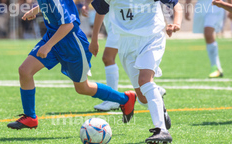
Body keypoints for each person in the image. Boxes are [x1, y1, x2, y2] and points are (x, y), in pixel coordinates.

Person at [7, 0, 137, 132]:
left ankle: (125, 99)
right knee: (25, 71)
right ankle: (30, 117)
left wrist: (47, 46)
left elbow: (68, 24)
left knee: (82, 88)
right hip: (53, 36)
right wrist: (35, 10)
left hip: (72, 44)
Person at [90, 0, 182, 144]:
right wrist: (94, 38)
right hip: (126, 43)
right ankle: (160, 106)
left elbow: (177, 5)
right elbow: (101, 10)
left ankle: (162, 130)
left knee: (144, 80)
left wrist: (176, 23)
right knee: (142, 96)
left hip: (151, 38)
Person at [185, 0, 232, 78]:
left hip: (214, 4)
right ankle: (217, 68)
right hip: (201, 6)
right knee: (207, 35)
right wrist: (187, 8)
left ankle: (215, 67)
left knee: (208, 34)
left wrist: (230, 7)